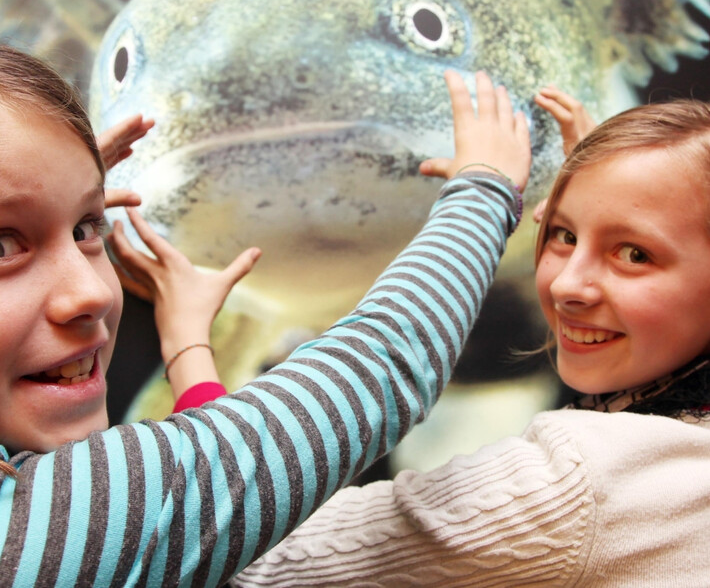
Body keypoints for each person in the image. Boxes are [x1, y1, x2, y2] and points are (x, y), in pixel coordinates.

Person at [0, 43, 530, 586]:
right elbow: (379, 369)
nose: (91, 293)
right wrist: (484, 189)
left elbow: (205, 519)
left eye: (88, 228)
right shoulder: (59, 521)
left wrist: (187, 345)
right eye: (2, 245)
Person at [235, 92, 710, 586]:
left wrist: (192, 355)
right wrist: (619, 193)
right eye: (563, 235)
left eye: (635, 254)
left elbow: (249, 557)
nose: (567, 285)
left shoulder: (571, 488)